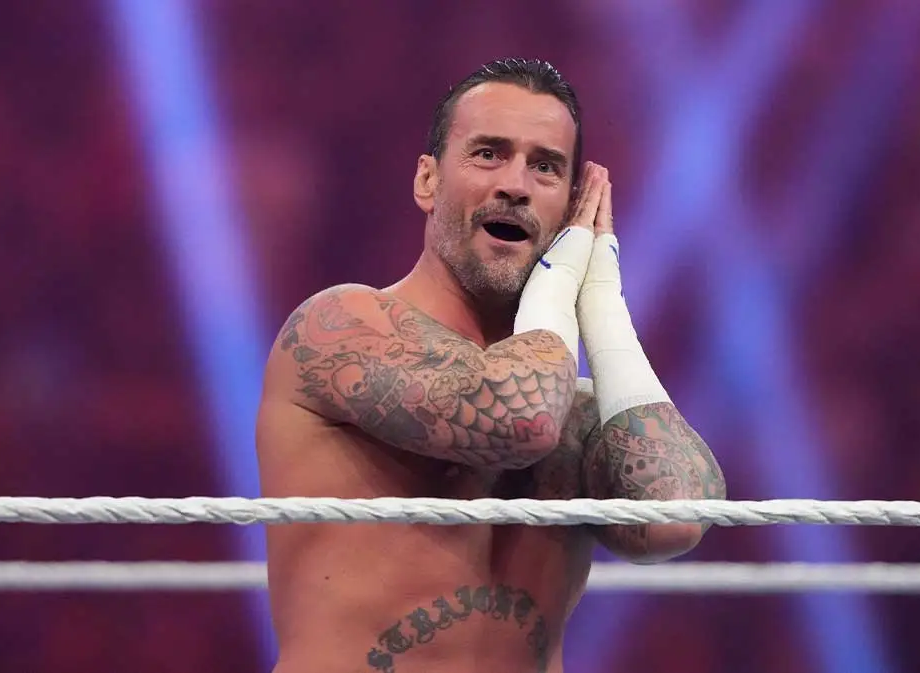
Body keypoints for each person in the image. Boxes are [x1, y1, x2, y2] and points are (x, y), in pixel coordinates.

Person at [255, 57, 726, 673]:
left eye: (545, 166)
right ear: (428, 180)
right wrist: (558, 285)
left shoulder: (579, 412)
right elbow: (519, 420)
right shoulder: (340, 329)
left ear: (572, 210)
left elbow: (677, 518)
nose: (515, 185)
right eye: (488, 154)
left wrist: (603, 301)